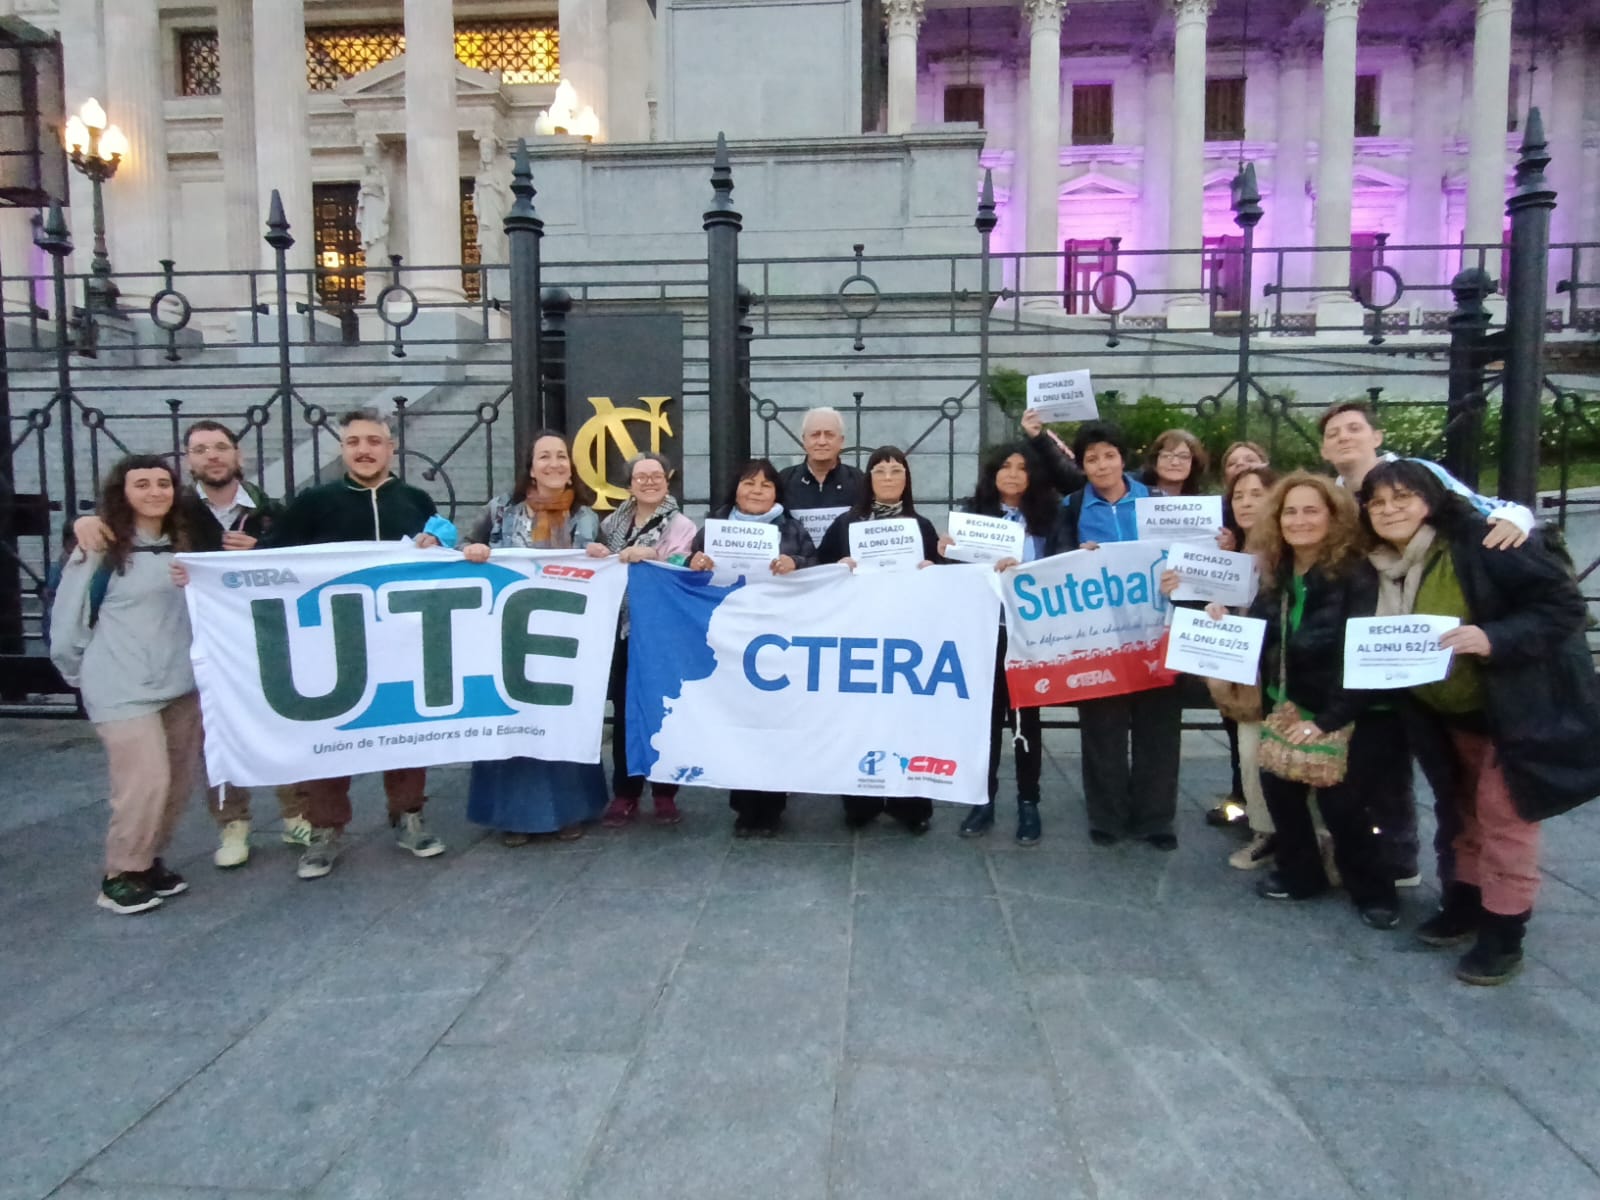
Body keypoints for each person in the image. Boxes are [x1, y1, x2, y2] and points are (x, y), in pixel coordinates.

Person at [1360, 460, 1600, 983]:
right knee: (1462, 807)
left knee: (1504, 817)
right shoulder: (1383, 561)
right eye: (1377, 502)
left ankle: (1505, 931)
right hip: (1446, 713)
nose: (1389, 509)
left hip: (1513, 708)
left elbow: (1563, 606)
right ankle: (1466, 902)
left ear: (1431, 500)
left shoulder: (1483, 541)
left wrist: (1494, 638)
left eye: (1402, 497)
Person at [71, 420, 310, 868]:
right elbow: (120, 527)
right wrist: (84, 521)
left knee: (282, 722)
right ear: (189, 460)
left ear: (238, 455)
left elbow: (300, 561)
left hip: (263, 637)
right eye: (200, 449)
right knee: (214, 736)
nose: (212, 456)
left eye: (220, 447)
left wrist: (261, 551)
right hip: (196, 644)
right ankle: (232, 822)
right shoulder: (173, 511)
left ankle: (296, 813)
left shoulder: (272, 511)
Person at [1320, 398, 1534, 888]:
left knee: (1472, 794)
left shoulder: (1420, 477)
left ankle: (1415, 866)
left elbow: (1490, 513)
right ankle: (1450, 885)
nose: (1344, 437)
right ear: (1324, 450)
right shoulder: (1334, 496)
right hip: (1388, 654)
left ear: (1377, 437)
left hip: (1456, 665)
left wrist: (1520, 518)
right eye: (1333, 433)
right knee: (1418, 774)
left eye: (1354, 428)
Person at [263, 408, 454, 880]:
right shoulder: (314, 502)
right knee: (330, 735)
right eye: (354, 442)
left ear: (391, 448)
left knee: (407, 729)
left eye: (373, 441)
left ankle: (408, 815)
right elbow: (270, 557)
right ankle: (325, 829)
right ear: (342, 449)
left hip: (402, 640)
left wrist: (440, 546)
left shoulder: (415, 499)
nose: (364, 450)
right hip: (332, 641)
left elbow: (444, 561)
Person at [1236, 471, 1400, 929]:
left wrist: (1328, 720)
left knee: (1343, 806)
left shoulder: (1357, 574)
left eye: (1311, 510)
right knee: (1281, 792)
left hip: (1347, 709)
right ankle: (1300, 874)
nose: (1299, 520)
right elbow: (1261, 635)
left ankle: (1374, 891)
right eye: (1289, 512)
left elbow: (1360, 655)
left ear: (1334, 516)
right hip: (1289, 704)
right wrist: (1219, 620)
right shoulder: (1278, 571)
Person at [50, 456, 200, 915]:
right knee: (143, 782)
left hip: (178, 681)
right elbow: (68, 621)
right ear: (123, 492)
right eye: (142, 484)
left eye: (163, 483)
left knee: (176, 782)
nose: (155, 492)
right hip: (120, 684)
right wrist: (78, 674)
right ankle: (121, 872)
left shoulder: (183, 544)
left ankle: (148, 859)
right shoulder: (98, 548)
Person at [461, 431, 606, 846]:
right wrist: (473, 550)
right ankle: (512, 814)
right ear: (531, 468)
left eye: (561, 456)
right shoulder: (501, 511)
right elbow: (465, 543)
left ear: (571, 468)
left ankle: (570, 810)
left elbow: (596, 564)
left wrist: (599, 555)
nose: (554, 463)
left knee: (561, 716)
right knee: (512, 715)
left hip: (564, 632)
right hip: (508, 630)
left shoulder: (585, 516)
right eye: (545, 456)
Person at [1044, 421, 1182, 851]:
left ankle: (1155, 819)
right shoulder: (1072, 507)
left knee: (1159, 730)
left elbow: (1191, 554)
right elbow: (1054, 564)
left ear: (1123, 458)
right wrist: (1074, 559)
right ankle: (1106, 816)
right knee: (1102, 730)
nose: (1102, 465)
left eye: (1109, 455)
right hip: (1099, 638)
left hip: (1158, 631)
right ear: (1082, 466)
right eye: (1091, 459)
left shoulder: (1157, 502)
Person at [816, 445, 943, 832]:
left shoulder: (922, 527)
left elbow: (945, 581)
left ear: (907, 480)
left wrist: (934, 567)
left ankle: (910, 805)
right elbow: (817, 569)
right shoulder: (845, 525)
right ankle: (861, 801)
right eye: (880, 471)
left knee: (909, 723)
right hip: (859, 637)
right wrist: (837, 567)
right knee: (859, 721)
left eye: (896, 471)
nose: (888, 478)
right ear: (868, 480)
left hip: (907, 641)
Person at [687, 457, 817, 836]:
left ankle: (772, 806)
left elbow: (818, 567)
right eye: (749, 483)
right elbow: (685, 567)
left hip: (777, 641)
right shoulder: (714, 528)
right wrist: (694, 560)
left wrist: (796, 563)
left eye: (766, 484)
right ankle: (744, 807)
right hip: (728, 640)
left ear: (777, 493)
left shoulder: (792, 528)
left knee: (773, 722)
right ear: (736, 489)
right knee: (738, 720)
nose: (757, 490)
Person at [941, 440, 1057, 844]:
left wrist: (1026, 569)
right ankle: (982, 799)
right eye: (1005, 466)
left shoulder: (1050, 517)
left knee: (1026, 722)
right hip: (984, 633)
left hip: (1029, 635)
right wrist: (946, 551)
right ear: (992, 474)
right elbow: (955, 574)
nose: (1012, 474)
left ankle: (1028, 803)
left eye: (1022, 467)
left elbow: (1063, 564)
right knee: (984, 722)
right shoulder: (973, 514)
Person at [1169, 466, 1280, 869]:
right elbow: (1209, 606)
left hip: (1286, 673)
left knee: (1291, 760)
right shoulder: (1229, 555)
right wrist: (1213, 609)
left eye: (1256, 494)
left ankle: (1308, 840)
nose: (1247, 502)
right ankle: (1265, 833)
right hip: (1246, 677)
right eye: (1239, 496)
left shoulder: (1289, 550)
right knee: (1250, 755)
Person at [586, 452, 698, 827]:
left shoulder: (682, 524)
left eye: (656, 476)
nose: (649, 482)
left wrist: (655, 555)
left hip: (661, 631)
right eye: (641, 477)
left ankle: (665, 792)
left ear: (668, 480)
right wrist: (598, 553)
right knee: (624, 711)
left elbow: (684, 565)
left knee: (664, 709)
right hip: (619, 628)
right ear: (629, 484)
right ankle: (626, 792)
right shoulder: (611, 522)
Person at [777, 405, 866, 515]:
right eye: (815, 435)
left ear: (841, 441)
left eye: (829, 435)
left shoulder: (858, 480)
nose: (822, 442)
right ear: (804, 440)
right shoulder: (784, 480)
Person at [1140, 427, 1209, 496]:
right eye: (1167, 456)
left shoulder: (1203, 499)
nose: (1175, 462)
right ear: (1155, 460)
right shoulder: (1135, 492)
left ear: (1194, 463)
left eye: (1183, 456)